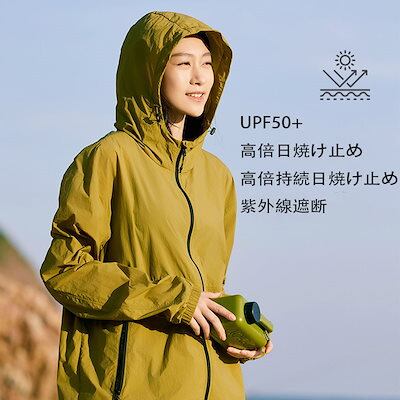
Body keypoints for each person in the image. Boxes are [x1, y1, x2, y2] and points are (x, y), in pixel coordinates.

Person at [40, 10, 273, 400]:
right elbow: (65, 271)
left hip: (217, 386)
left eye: (207, 65)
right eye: (183, 64)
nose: (200, 78)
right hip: (133, 386)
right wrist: (176, 299)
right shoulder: (109, 158)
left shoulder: (218, 176)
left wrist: (239, 334)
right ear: (150, 72)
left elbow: (209, 290)